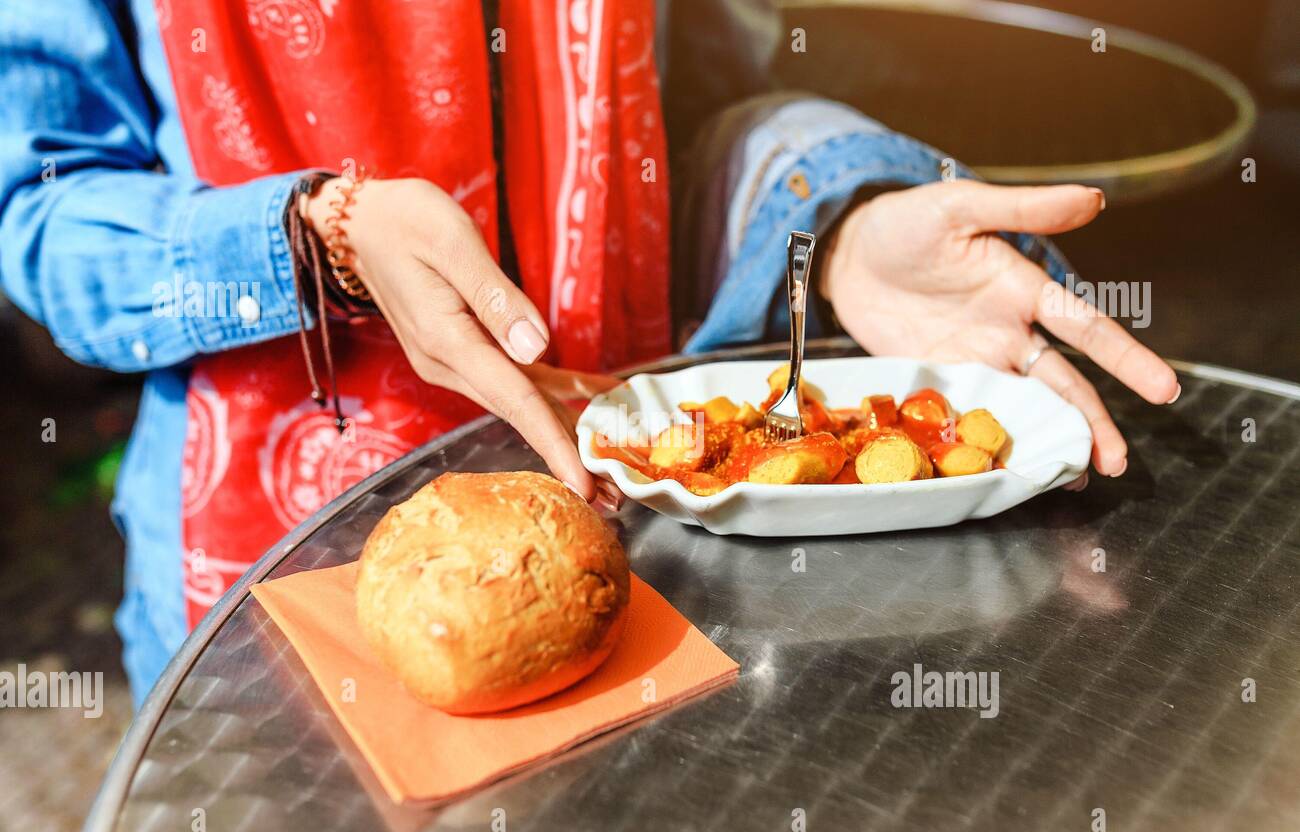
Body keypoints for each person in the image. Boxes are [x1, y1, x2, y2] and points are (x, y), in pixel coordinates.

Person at [0, 0, 1178, 705]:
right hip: (270, 591)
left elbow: (706, 105)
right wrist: (320, 238)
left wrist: (837, 221)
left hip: (640, 541)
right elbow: (38, 215)